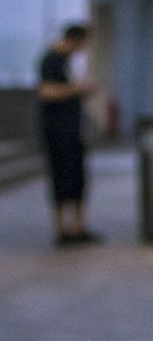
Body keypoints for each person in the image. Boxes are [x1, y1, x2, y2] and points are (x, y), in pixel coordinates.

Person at [36, 22, 100, 246]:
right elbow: (46, 92)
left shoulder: (65, 61)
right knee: (61, 178)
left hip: (72, 130)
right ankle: (62, 229)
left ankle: (77, 227)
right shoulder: (51, 60)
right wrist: (77, 89)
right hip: (57, 131)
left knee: (77, 178)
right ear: (74, 40)